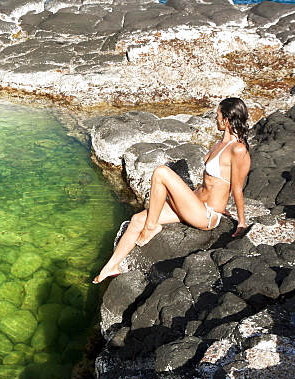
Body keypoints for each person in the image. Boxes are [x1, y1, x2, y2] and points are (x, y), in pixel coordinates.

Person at [92, 97, 252, 284]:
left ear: (226, 120)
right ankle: (110, 267)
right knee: (136, 220)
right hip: (194, 202)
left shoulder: (238, 150)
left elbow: (237, 188)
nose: (215, 119)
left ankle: (151, 227)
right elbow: (213, 183)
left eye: (218, 115)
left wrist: (241, 222)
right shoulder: (219, 143)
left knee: (161, 172)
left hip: (206, 215)